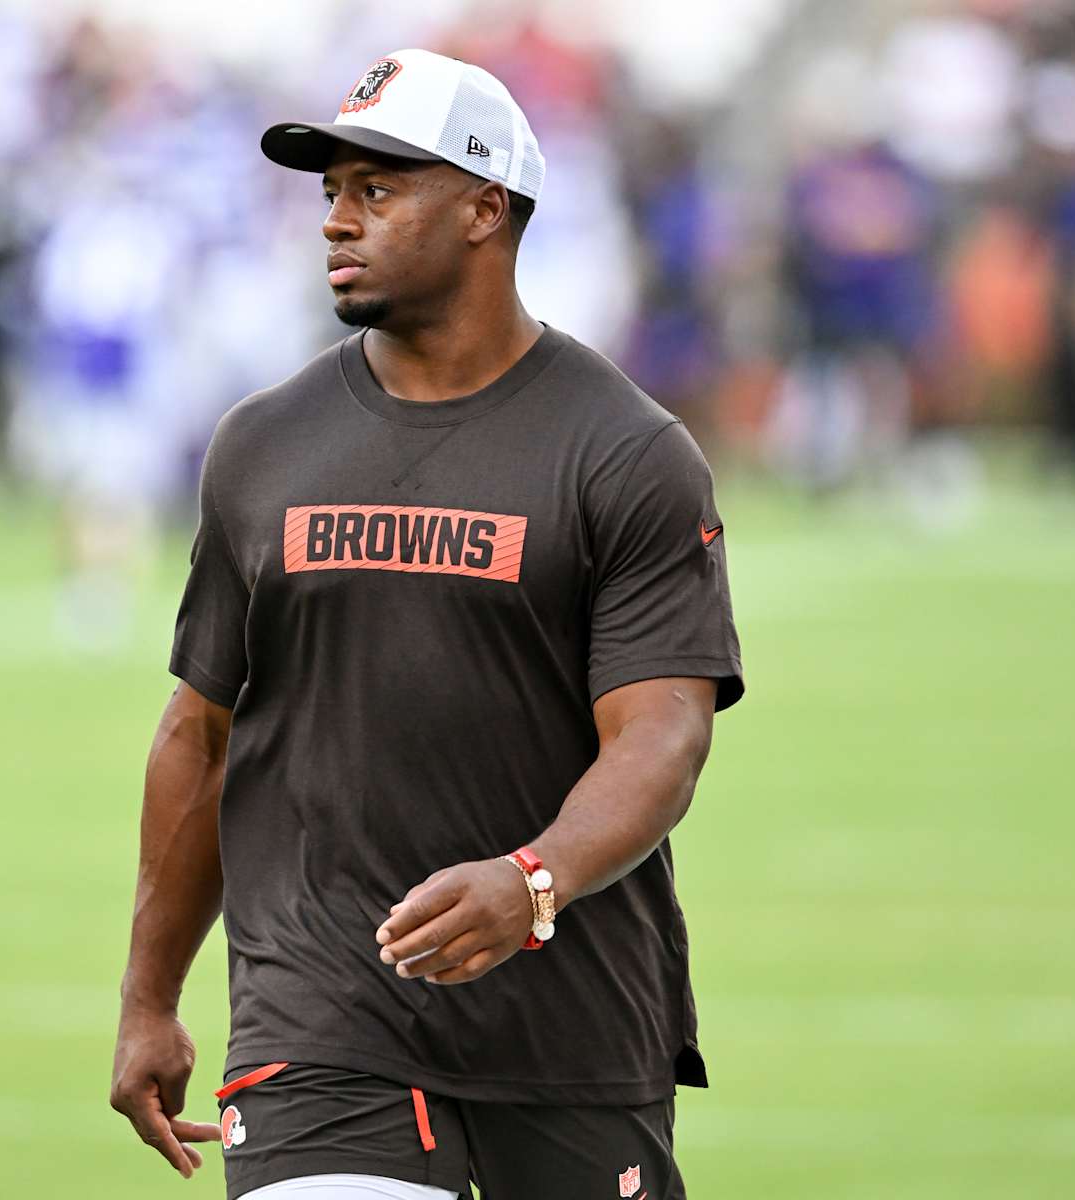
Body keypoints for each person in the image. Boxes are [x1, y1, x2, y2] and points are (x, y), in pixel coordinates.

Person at [110, 49, 743, 1199]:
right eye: (331, 193)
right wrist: (149, 998)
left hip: (572, 1041)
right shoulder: (262, 443)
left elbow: (662, 738)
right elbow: (199, 732)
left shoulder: (627, 452)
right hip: (319, 1027)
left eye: (378, 190)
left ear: (484, 210)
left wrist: (533, 882)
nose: (337, 222)